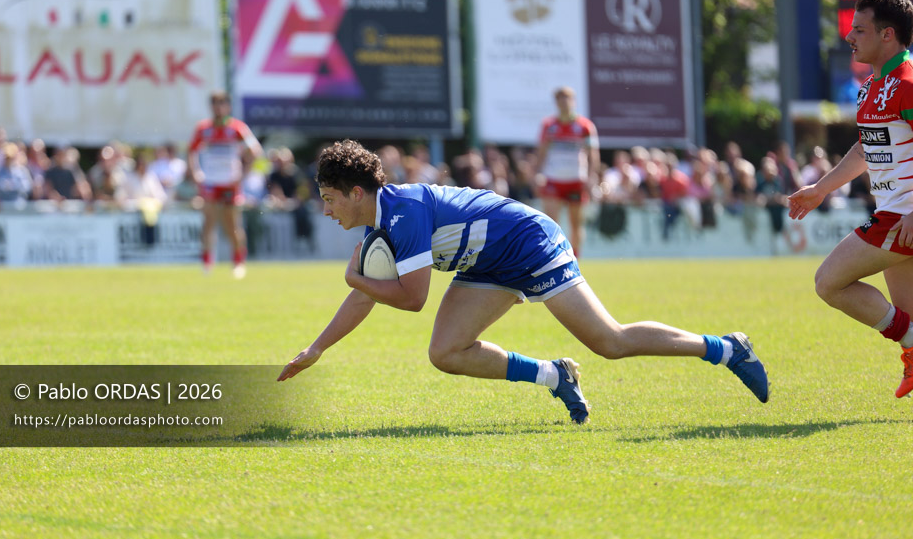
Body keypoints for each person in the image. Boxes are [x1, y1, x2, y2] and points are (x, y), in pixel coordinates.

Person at [278, 140, 769, 424]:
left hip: (528, 242)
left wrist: (354, 277)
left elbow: (412, 300)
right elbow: (364, 297)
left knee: (610, 342)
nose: (325, 209)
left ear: (356, 193)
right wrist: (317, 348)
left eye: (329, 198)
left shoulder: (402, 215)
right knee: (446, 352)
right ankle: (555, 376)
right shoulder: (380, 226)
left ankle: (727, 348)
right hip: (487, 262)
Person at [788, 0, 913, 397]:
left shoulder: (908, 83)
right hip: (897, 214)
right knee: (908, 317)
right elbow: (865, 148)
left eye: (859, 29)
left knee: (829, 283)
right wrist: (821, 189)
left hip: (902, 217)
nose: (849, 37)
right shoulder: (872, 86)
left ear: (887, 34)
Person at [187, 90, 263, 279]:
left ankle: (238, 262)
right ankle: (207, 262)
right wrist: (195, 172)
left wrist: (243, 175)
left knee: (232, 224)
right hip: (210, 183)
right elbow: (191, 151)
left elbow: (255, 150)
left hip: (230, 183)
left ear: (228, 106)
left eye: (222, 103)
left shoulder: (237, 128)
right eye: (215, 103)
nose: (218, 107)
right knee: (208, 222)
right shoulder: (203, 129)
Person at [535, 86, 600, 259]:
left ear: (573, 101)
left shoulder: (585, 126)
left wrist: (592, 177)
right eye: (560, 100)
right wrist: (537, 173)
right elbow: (541, 153)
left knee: (576, 224)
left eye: (567, 99)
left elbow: (593, 154)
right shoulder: (549, 125)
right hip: (553, 179)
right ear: (556, 103)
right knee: (550, 223)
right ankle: (551, 258)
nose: (564, 103)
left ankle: (574, 259)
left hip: (576, 180)